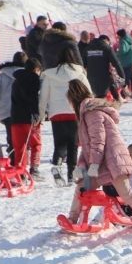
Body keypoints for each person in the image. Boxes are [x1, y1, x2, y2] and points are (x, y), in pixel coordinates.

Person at [64, 79, 132, 227]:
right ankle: (72, 220)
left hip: (114, 162)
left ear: (73, 97)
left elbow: (98, 142)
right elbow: (87, 148)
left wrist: (94, 165)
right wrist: (80, 167)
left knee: (127, 194)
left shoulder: (92, 113)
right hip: (103, 164)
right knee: (81, 186)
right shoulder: (86, 113)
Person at [38, 47, 91, 184]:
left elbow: (43, 96)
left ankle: (57, 165)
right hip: (73, 112)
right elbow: (89, 91)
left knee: (59, 143)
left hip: (56, 114)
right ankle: (71, 175)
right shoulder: (78, 73)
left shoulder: (50, 75)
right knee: (73, 144)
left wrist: (41, 113)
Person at [10, 58, 43, 178]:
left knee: (20, 146)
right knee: (36, 144)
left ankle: (20, 172)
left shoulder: (16, 81)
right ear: (36, 69)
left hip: (16, 118)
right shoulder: (34, 79)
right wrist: (35, 112)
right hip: (29, 117)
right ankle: (34, 169)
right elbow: (33, 98)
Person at [85, 35, 125, 101]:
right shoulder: (107, 48)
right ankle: (117, 99)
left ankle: (117, 98)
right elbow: (117, 64)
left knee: (98, 97)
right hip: (104, 78)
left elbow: (82, 64)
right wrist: (122, 79)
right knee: (102, 96)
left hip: (91, 79)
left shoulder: (87, 48)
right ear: (106, 40)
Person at [115, 29, 132, 97]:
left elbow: (123, 51)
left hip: (124, 63)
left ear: (120, 35)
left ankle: (124, 94)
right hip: (130, 61)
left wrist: (116, 53)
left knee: (123, 78)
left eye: (118, 35)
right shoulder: (129, 40)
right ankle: (131, 93)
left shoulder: (123, 41)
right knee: (131, 77)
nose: (117, 37)